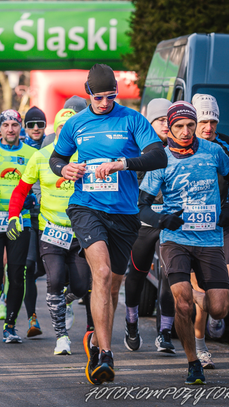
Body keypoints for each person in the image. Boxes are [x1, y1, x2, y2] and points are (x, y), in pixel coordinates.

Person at [49, 64, 167, 385]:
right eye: (98, 97)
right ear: (88, 93)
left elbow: (159, 156)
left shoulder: (131, 119)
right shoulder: (76, 124)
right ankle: (104, 353)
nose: (104, 103)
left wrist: (124, 163)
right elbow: (56, 158)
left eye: (110, 96)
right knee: (99, 274)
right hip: (86, 207)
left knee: (113, 285)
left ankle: (96, 340)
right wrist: (65, 170)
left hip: (125, 214)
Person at [139, 101, 229, 385]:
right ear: (170, 128)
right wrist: (162, 219)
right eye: (179, 126)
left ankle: (202, 300)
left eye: (190, 125)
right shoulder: (160, 160)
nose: (186, 131)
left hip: (209, 238)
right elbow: (141, 207)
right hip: (175, 240)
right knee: (182, 304)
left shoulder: (214, 151)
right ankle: (193, 362)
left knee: (219, 309)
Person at [8, 108, 92, 355]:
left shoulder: (86, 156)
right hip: (51, 230)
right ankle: (61, 337)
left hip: (80, 232)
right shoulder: (41, 156)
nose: (70, 133)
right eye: (64, 128)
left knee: (80, 287)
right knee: (54, 280)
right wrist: (14, 215)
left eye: (73, 129)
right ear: (57, 130)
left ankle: (65, 302)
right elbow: (21, 190)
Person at [123, 98, 177, 354]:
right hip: (142, 220)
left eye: (169, 119)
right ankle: (131, 323)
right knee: (137, 273)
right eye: (160, 120)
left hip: (168, 221)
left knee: (169, 274)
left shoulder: (179, 148)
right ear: (149, 122)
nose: (166, 125)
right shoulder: (136, 148)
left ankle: (164, 332)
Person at [0, 109, 36, 344]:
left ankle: (10, 325)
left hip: (19, 220)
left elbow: (37, 185)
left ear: (20, 127)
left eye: (15, 125)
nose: (11, 129)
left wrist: (32, 199)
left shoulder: (31, 153)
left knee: (17, 273)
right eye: (6, 125)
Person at [191, 93, 228, 368]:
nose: (209, 127)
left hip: (222, 226)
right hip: (191, 228)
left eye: (213, 121)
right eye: (204, 120)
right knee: (199, 293)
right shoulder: (182, 149)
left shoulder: (224, 148)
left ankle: (220, 310)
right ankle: (200, 345)